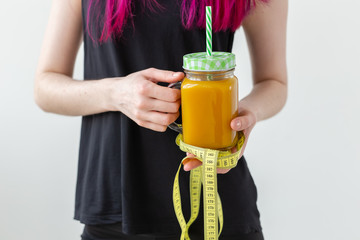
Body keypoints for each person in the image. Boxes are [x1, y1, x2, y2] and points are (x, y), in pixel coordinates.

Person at [34, 0, 288, 239]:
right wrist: (115, 93)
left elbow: (274, 82)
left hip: (215, 201)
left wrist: (245, 115)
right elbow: (45, 88)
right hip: (111, 206)